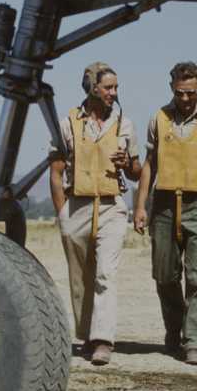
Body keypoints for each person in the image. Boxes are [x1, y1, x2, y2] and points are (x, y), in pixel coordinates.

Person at [133, 61, 197, 366]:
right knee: (165, 274)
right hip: (163, 203)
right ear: (171, 88)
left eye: (190, 93)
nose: (185, 99)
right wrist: (139, 206)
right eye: (179, 93)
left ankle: (195, 342)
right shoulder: (158, 118)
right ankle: (174, 331)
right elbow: (150, 164)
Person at [48, 61, 139, 366]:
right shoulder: (68, 122)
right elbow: (56, 171)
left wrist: (127, 161)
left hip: (112, 206)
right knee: (80, 278)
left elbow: (137, 172)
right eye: (108, 87)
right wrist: (62, 214)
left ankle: (103, 340)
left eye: (116, 88)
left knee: (105, 274)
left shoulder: (124, 122)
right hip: (77, 207)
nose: (114, 93)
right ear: (92, 88)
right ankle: (86, 335)